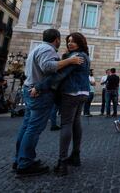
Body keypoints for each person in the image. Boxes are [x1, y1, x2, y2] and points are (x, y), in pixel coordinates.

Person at [13, 28, 83, 178]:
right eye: (65, 40)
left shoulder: (37, 48)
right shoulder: (48, 49)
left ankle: (19, 160)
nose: (67, 43)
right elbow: (48, 66)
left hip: (30, 89)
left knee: (26, 127)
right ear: (57, 39)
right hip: (39, 93)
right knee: (33, 129)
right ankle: (25, 163)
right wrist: (70, 60)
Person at [31, 32, 91, 176]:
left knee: (66, 124)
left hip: (71, 93)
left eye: (74, 41)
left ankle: (62, 162)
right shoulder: (85, 56)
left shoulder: (77, 57)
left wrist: (38, 87)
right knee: (76, 122)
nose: (70, 43)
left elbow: (59, 75)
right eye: (68, 41)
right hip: (83, 93)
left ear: (80, 42)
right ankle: (75, 156)